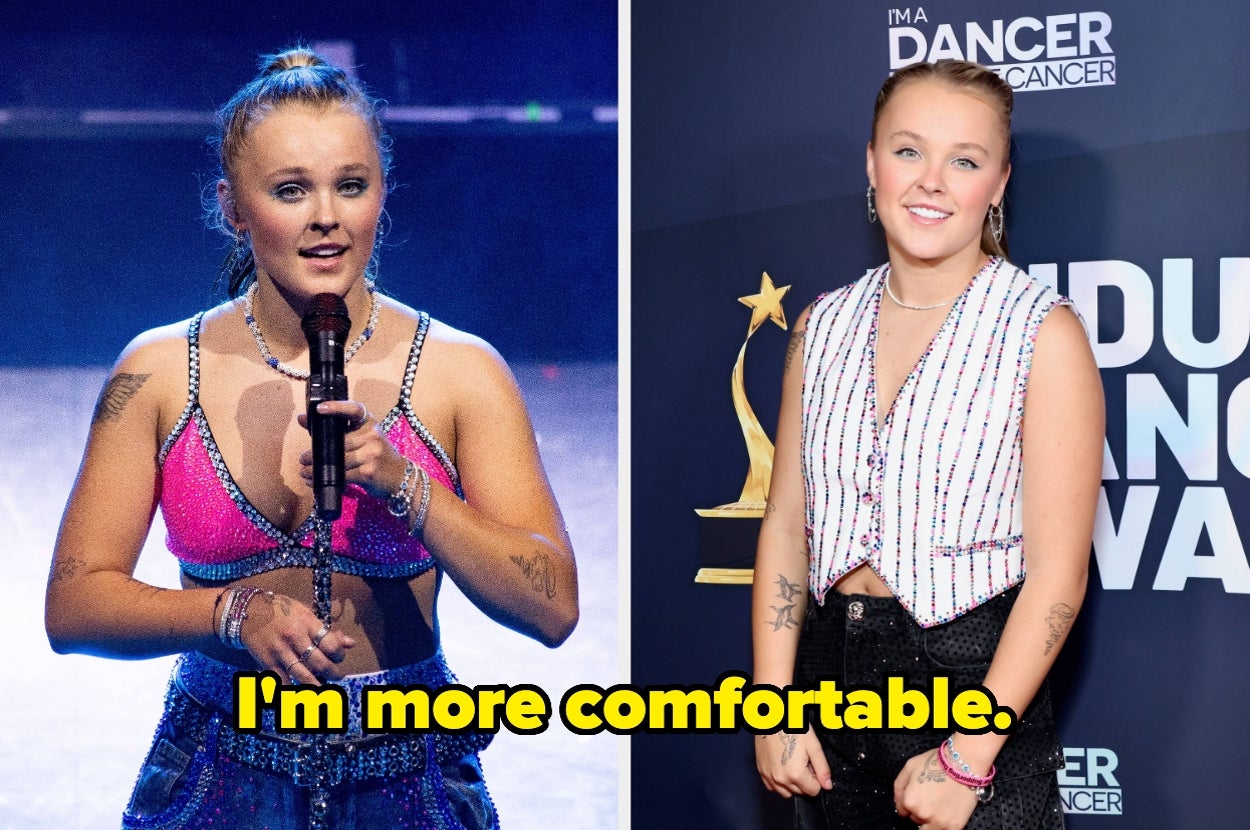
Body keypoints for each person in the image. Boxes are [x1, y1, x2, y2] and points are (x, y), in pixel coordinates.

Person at [45, 46, 578, 830]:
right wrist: (231, 614)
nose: (326, 216)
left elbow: (553, 608)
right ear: (234, 207)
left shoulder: (462, 372)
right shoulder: (158, 372)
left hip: (408, 771)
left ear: (382, 194)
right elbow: (74, 604)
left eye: (350, 186)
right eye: (291, 190)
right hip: (217, 764)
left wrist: (406, 485)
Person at [751, 59, 1103, 830]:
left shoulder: (1042, 333)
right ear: (871, 164)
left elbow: (1059, 576)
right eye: (908, 150)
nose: (931, 182)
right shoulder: (820, 326)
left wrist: (968, 758)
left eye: (965, 161)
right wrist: (772, 703)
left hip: (975, 694)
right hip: (827, 696)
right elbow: (785, 524)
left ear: (998, 184)